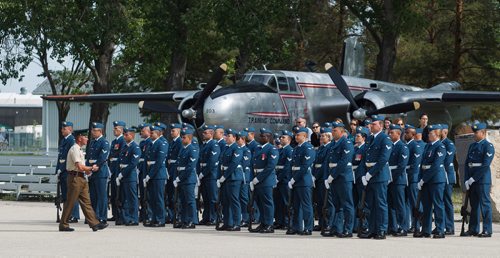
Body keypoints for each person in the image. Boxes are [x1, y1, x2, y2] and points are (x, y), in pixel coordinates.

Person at [59, 129, 108, 232]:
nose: (87, 139)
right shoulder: (75, 149)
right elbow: (79, 166)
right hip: (75, 178)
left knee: (86, 202)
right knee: (70, 202)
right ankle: (63, 224)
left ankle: (94, 223)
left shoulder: (79, 149)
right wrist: (91, 168)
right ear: (80, 138)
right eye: (85, 137)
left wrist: (87, 171)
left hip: (81, 177)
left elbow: (82, 168)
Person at [358, 115, 392, 240]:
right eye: (371, 124)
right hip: (368, 176)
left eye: (374, 124)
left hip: (379, 176)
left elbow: (383, 159)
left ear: (381, 126)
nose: (371, 126)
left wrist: (370, 173)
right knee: (370, 204)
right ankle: (372, 229)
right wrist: (363, 175)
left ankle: (382, 229)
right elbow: (363, 158)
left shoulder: (385, 139)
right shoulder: (370, 139)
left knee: (381, 204)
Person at [462, 122, 495, 237]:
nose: (474, 134)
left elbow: (485, 165)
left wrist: (473, 179)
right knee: (474, 205)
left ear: (483, 133)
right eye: (473, 132)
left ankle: (487, 229)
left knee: (485, 204)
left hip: (482, 180)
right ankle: (473, 229)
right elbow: (467, 164)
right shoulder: (472, 146)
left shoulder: (488, 146)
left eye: (476, 132)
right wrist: (466, 179)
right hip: (471, 179)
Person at [414, 124, 446, 239]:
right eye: (428, 133)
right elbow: (422, 165)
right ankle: (426, 230)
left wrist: (424, 179)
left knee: (438, 205)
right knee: (426, 206)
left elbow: (436, 166)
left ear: (436, 135)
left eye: (431, 133)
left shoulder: (440, 147)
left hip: (436, 179)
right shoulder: (427, 146)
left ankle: (440, 229)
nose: (428, 135)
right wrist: (420, 179)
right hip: (426, 179)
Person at [324, 122, 355, 238]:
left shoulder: (346, 143)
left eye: (335, 130)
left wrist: (332, 176)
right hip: (333, 177)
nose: (332, 132)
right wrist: (327, 177)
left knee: (347, 204)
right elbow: (328, 162)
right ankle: (337, 228)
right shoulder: (332, 144)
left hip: (343, 177)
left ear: (342, 132)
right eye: (332, 130)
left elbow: (344, 161)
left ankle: (348, 229)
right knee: (337, 205)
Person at [286, 127, 316, 235]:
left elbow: (304, 166)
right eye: (295, 135)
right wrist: (291, 179)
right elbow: (291, 165)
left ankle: (308, 227)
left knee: (306, 205)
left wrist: (293, 179)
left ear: (304, 136)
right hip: (295, 180)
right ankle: (296, 227)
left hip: (303, 180)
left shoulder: (308, 148)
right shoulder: (296, 148)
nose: (296, 137)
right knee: (296, 205)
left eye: (298, 135)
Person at [249, 128, 278, 233]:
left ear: (269, 137)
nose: (260, 138)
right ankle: (263, 223)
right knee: (260, 203)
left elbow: (270, 167)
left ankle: (269, 224)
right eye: (260, 136)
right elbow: (253, 165)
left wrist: (258, 178)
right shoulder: (258, 148)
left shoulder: (272, 149)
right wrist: (252, 179)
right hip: (257, 179)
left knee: (267, 203)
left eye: (263, 136)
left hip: (266, 180)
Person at [216, 129, 244, 231]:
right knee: (225, 201)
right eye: (226, 136)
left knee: (234, 200)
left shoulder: (237, 148)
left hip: (233, 178)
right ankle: (228, 222)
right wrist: (219, 178)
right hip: (225, 178)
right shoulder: (225, 148)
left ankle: (237, 223)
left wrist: (224, 177)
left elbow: (233, 164)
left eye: (229, 136)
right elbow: (221, 164)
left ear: (234, 138)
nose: (226, 137)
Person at [143, 124, 168, 227]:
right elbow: (146, 160)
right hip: (150, 173)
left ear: (158, 134)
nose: (151, 134)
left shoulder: (161, 144)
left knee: (158, 198)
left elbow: (158, 162)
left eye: (152, 132)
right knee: (152, 198)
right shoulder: (150, 144)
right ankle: (153, 218)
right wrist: (146, 175)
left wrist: (150, 175)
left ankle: (160, 219)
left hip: (158, 175)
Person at [173, 128, 199, 229]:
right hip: (181, 178)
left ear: (189, 138)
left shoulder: (192, 149)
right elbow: (178, 165)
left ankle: (192, 221)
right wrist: (176, 177)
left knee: (190, 201)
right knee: (182, 201)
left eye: (183, 137)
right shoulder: (182, 149)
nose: (182, 139)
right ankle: (184, 220)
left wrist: (179, 178)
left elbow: (190, 167)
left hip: (188, 179)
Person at [387, 124, 409, 237]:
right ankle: (393, 227)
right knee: (391, 204)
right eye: (389, 132)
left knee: (400, 204)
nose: (390, 134)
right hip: (389, 179)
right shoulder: (390, 146)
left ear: (398, 134)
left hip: (398, 180)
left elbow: (401, 166)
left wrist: (391, 178)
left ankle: (403, 227)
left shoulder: (402, 146)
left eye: (392, 133)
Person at [116, 127, 141, 226]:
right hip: (123, 174)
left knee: (132, 198)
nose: (125, 136)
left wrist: (122, 174)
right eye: (124, 134)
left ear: (132, 135)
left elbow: (132, 164)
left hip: (130, 176)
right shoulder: (125, 147)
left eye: (127, 135)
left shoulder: (135, 147)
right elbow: (120, 161)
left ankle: (134, 218)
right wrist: (119, 174)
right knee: (124, 198)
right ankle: (125, 217)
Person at [56, 121, 80, 223]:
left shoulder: (71, 141)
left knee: (71, 194)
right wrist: (57, 170)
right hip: (62, 170)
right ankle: (68, 214)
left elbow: (69, 157)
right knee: (65, 195)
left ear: (70, 129)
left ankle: (74, 215)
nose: (62, 130)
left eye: (64, 129)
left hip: (68, 170)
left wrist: (62, 168)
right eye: (62, 128)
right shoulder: (64, 140)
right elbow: (60, 156)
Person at [87, 122, 110, 223]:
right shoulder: (92, 142)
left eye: (94, 130)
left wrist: (97, 165)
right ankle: (94, 216)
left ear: (100, 131)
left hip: (100, 171)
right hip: (92, 171)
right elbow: (89, 156)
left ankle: (102, 216)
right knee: (93, 195)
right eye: (92, 130)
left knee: (101, 195)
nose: (92, 132)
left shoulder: (104, 142)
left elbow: (103, 157)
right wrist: (87, 168)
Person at [198, 125, 220, 226]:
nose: (203, 134)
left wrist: (203, 173)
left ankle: (214, 217)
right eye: (203, 133)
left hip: (211, 175)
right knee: (205, 197)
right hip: (204, 175)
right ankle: (206, 217)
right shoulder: (204, 145)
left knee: (212, 198)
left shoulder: (214, 145)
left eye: (205, 133)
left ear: (211, 134)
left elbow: (212, 162)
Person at [404, 124, 424, 233]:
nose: (405, 134)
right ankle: (410, 225)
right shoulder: (406, 145)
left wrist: (409, 176)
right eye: (405, 132)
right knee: (408, 203)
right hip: (406, 177)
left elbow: (415, 165)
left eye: (407, 133)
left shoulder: (415, 146)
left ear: (413, 135)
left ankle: (419, 222)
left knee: (414, 203)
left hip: (412, 177)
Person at [312, 127, 333, 233]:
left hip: (324, 177)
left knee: (327, 202)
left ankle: (328, 223)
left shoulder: (330, 147)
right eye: (320, 135)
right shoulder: (320, 148)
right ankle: (321, 223)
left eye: (323, 135)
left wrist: (316, 176)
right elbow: (315, 163)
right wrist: (313, 175)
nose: (321, 137)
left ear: (329, 137)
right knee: (320, 202)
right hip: (317, 178)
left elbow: (324, 164)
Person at [273, 130, 293, 230]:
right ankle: (279, 221)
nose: (281, 139)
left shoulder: (289, 150)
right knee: (278, 202)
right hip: (278, 178)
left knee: (286, 202)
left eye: (283, 137)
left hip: (284, 179)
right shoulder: (280, 150)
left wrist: (279, 178)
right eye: (280, 137)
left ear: (289, 139)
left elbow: (287, 167)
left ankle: (287, 222)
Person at [109, 120, 127, 224]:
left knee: (120, 194)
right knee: (114, 193)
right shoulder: (114, 142)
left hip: (118, 169)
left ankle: (120, 215)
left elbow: (120, 157)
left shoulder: (123, 141)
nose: (114, 130)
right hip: (112, 169)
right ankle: (115, 214)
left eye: (116, 128)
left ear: (121, 130)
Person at [352, 126, 369, 233]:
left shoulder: (365, 148)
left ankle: (365, 224)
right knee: (354, 202)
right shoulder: (354, 148)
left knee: (363, 202)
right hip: (353, 178)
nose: (356, 137)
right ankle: (355, 225)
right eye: (356, 135)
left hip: (360, 177)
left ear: (363, 138)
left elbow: (361, 164)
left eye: (358, 136)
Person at [440, 124, 456, 235]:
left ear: (444, 132)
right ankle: (441, 225)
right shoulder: (437, 144)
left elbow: (447, 160)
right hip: (439, 176)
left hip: (446, 176)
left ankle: (449, 227)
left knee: (447, 201)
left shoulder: (449, 144)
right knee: (439, 202)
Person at [167, 123, 182, 224]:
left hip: (176, 169)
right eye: (171, 130)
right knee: (170, 194)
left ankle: (178, 216)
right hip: (170, 169)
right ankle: (172, 216)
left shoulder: (180, 142)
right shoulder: (172, 142)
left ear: (179, 131)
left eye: (173, 131)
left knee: (177, 195)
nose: (171, 132)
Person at [236, 130, 251, 227]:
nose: (237, 141)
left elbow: (244, 163)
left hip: (244, 176)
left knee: (244, 198)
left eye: (238, 139)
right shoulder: (236, 149)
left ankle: (246, 218)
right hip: (238, 176)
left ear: (243, 139)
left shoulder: (246, 150)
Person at [137, 123, 152, 223]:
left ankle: (149, 214)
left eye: (142, 131)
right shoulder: (142, 143)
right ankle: (143, 214)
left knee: (149, 195)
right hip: (141, 170)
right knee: (142, 194)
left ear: (148, 131)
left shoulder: (151, 142)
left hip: (148, 171)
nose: (141, 133)